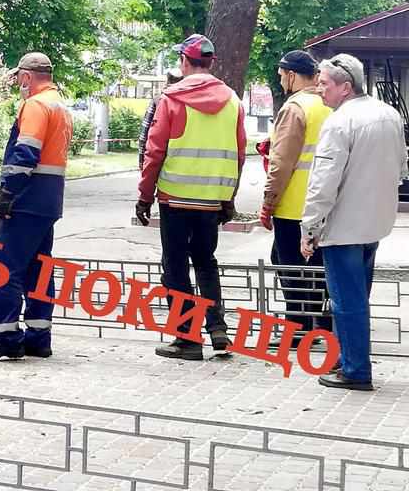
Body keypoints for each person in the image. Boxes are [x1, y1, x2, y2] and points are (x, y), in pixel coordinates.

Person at [135, 34, 246, 360]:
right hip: (211, 200)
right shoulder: (233, 101)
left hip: (176, 198)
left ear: (185, 61)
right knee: (206, 262)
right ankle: (218, 329)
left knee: (176, 267)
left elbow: (154, 152)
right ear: (211, 62)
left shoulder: (171, 99)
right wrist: (229, 198)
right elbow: (239, 154)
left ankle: (187, 338)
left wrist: (144, 196)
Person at [301, 54, 408, 391]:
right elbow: (401, 167)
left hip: (343, 227)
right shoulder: (388, 114)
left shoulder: (339, 122)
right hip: (375, 222)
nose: (319, 89)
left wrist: (310, 228)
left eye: (325, 84)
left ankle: (355, 370)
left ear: (345, 87)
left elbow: (323, 182)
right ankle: (345, 358)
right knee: (356, 297)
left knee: (347, 301)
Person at [0, 52, 71, 360]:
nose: (17, 86)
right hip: (49, 199)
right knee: (39, 268)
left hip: (27, 198)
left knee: (2, 267)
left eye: (18, 80)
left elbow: (26, 153)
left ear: (26, 77)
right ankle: (39, 337)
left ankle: (6, 338)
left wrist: (8, 193)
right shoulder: (60, 106)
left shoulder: (36, 105)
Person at [259, 50, 333, 338]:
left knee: (290, 267)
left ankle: (299, 329)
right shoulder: (330, 105)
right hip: (324, 204)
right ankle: (322, 326)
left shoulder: (294, 108)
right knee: (318, 268)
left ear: (291, 75)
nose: (281, 83)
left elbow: (282, 163)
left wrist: (268, 203)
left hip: (293, 206)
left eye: (281, 77)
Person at [138, 68, 184, 170]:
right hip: (183, 163)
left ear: (167, 81)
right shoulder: (191, 101)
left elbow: (144, 134)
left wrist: (142, 162)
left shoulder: (158, 100)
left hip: (160, 161)